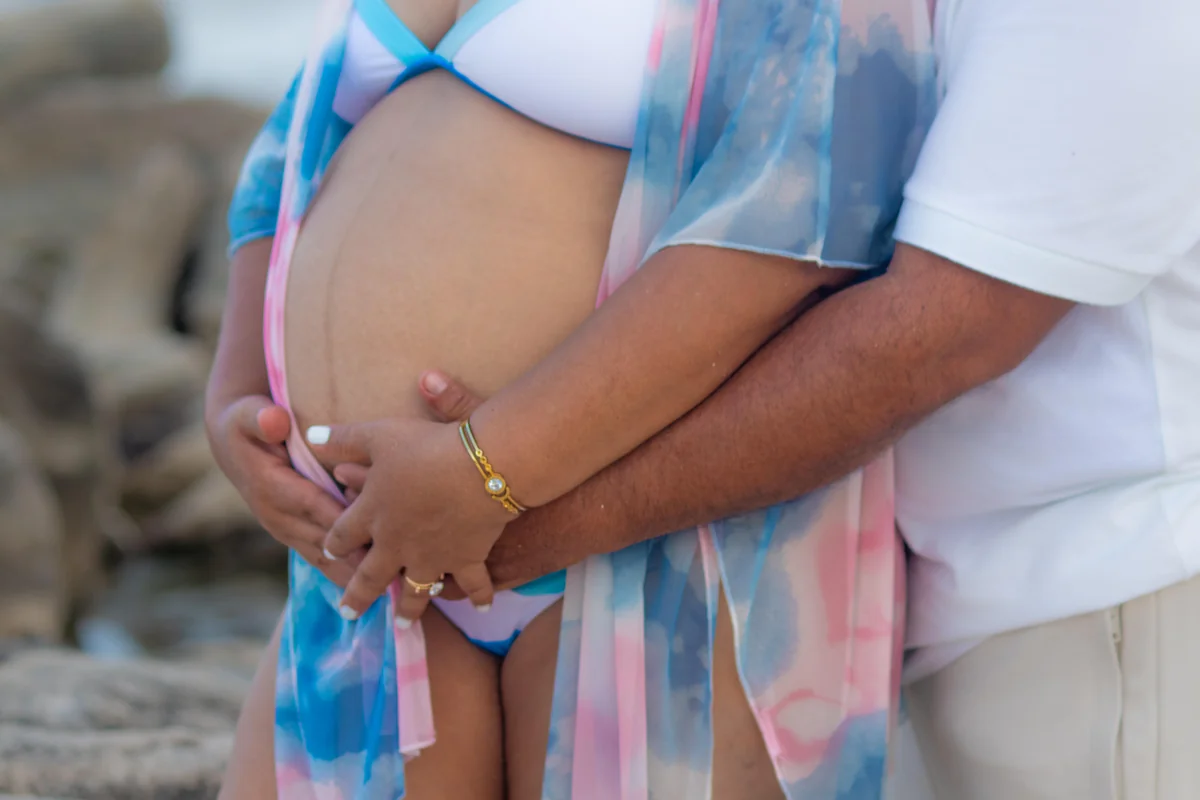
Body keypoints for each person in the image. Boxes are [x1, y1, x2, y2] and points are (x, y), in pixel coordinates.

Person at [296, 0, 1200, 798]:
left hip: (1093, 577)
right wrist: (248, 412)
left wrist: (496, 498)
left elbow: (926, 320)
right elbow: (295, 145)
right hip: (427, 533)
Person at [206, 0, 935, 798]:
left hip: (648, 543)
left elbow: (806, 215)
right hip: (371, 552)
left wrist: (487, 468)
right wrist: (238, 397)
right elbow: (291, 147)